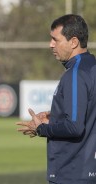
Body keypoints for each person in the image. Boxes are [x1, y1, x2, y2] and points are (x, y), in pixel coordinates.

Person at [16, 14, 96, 184]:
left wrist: (42, 128)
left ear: (74, 42)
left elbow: (74, 127)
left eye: (55, 39)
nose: (51, 44)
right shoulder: (91, 67)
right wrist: (55, 118)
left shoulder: (75, 73)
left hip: (72, 173)